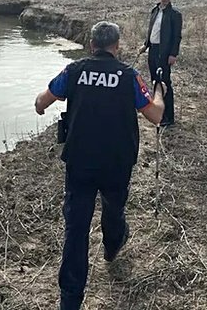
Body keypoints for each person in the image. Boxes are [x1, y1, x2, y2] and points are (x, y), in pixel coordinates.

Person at [35, 21, 165, 310]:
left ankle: (70, 302)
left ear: (91, 45)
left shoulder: (74, 71)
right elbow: (155, 115)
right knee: (113, 208)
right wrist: (159, 92)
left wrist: (40, 106)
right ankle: (112, 245)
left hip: (80, 162)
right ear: (116, 47)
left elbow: (43, 99)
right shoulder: (128, 75)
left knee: (76, 230)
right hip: (117, 163)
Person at [139, 0, 182, 126]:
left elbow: (177, 37)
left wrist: (173, 54)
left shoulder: (175, 15)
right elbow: (152, 31)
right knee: (155, 82)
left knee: (164, 83)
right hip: (153, 50)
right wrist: (145, 44)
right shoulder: (155, 11)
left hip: (165, 53)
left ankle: (168, 117)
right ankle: (158, 113)